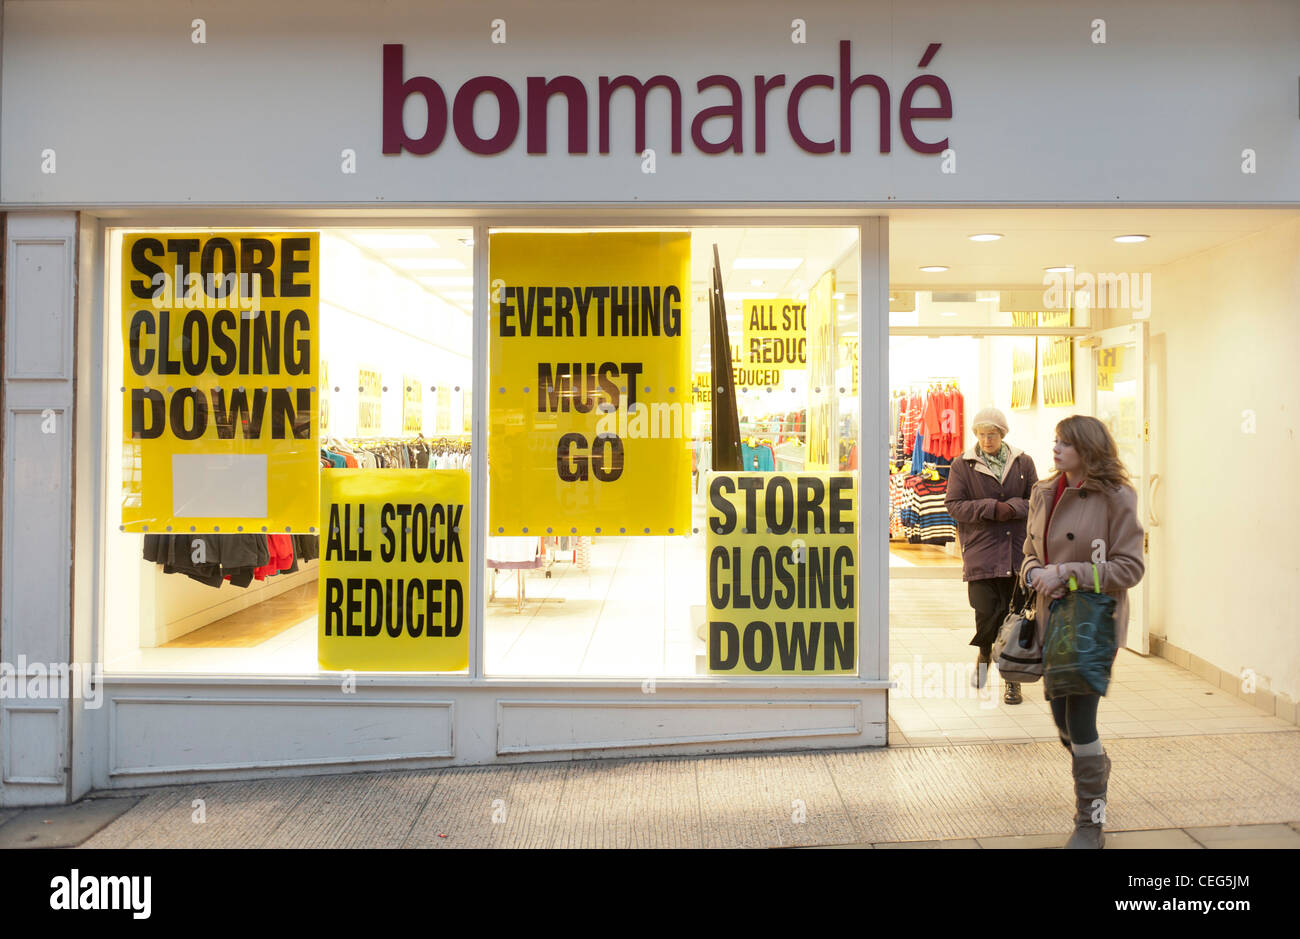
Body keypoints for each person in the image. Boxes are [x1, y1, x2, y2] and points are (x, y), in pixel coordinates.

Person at [1020, 415, 1145, 849]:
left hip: (1093, 624)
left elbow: (1130, 568)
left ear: (1088, 449)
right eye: (1055, 441)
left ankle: (1090, 821)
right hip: (1051, 621)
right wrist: (1035, 573)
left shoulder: (1116, 497)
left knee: (1080, 718)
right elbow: (1029, 553)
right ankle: (1094, 768)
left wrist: (1068, 573)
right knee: (1062, 722)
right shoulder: (1042, 492)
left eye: (1066, 443)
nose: (1056, 449)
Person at [944, 407, 1038, 704]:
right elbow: (955, 505)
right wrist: (990, 508)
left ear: (1002, 434)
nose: (986, 440)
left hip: (1016, 552)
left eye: (992, 434)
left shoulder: (1023, 461)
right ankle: (984, 652)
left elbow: (1036, 500)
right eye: (982, 434)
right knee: (986, 612)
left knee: (1016, 617)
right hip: (982, 551)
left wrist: (1014, 508)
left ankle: (1012, 679)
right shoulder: (963, 465)